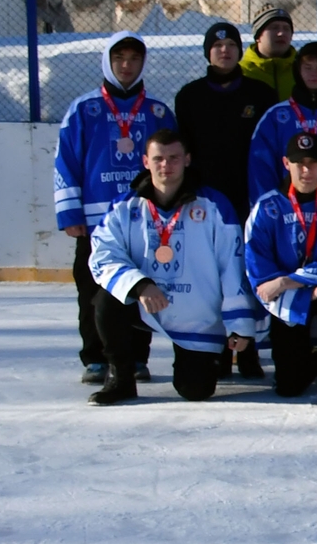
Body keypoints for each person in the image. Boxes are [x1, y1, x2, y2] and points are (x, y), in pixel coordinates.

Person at [85, 130, 256, 406]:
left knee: (195, 391)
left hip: (197, 315)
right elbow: (103, 254)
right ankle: (121, 378)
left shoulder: (214, 206)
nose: (166, 165)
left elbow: (232, 267)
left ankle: (213, 356)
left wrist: (238, 324)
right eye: (159, 159)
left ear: (187, 160)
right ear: (145, 161)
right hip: (148, 304)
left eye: (174, 158)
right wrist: (139, 284)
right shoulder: (124, 208)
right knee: (107, 299)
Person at [54, 30, 176, 382]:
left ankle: (137, 358)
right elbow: (66, 162)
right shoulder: (84, 109)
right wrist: (70, 213)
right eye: (119, 58)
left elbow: (174, 164)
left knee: (140, 287)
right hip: (94, 223)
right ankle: (95, 358)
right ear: (107, 61)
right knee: (92, 291)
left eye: (134, 59)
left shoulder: (157, 111)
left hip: (143, 222)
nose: (126, 65)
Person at [242, 130, 317, 409]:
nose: (306, 170)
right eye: (299, 163)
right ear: (286, 163)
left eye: (312, 162)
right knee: (289, 386)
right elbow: (256, 260)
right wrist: (291, 285)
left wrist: (287, 281)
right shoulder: (267, 206)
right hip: (287, 298)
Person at [175, 19, 277, 245]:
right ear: (207, 52)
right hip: (204, 193)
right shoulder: (189, 97)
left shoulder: (260, 94)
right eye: (217, 45)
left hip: (249, 191)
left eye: (231, 44)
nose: (225, 50)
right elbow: (184, 146)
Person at [247, 42, 317, 205]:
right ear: (297, 70)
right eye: (308, 67)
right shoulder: (276, 116)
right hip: (288, 209)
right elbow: (261, 168)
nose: (314, 74)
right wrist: (270, 210)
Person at [239, 5, 296, 101]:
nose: (281, 33)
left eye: (286, 28)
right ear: (258, 36)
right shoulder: (241, 72)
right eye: (274, 28)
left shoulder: (302, 70)